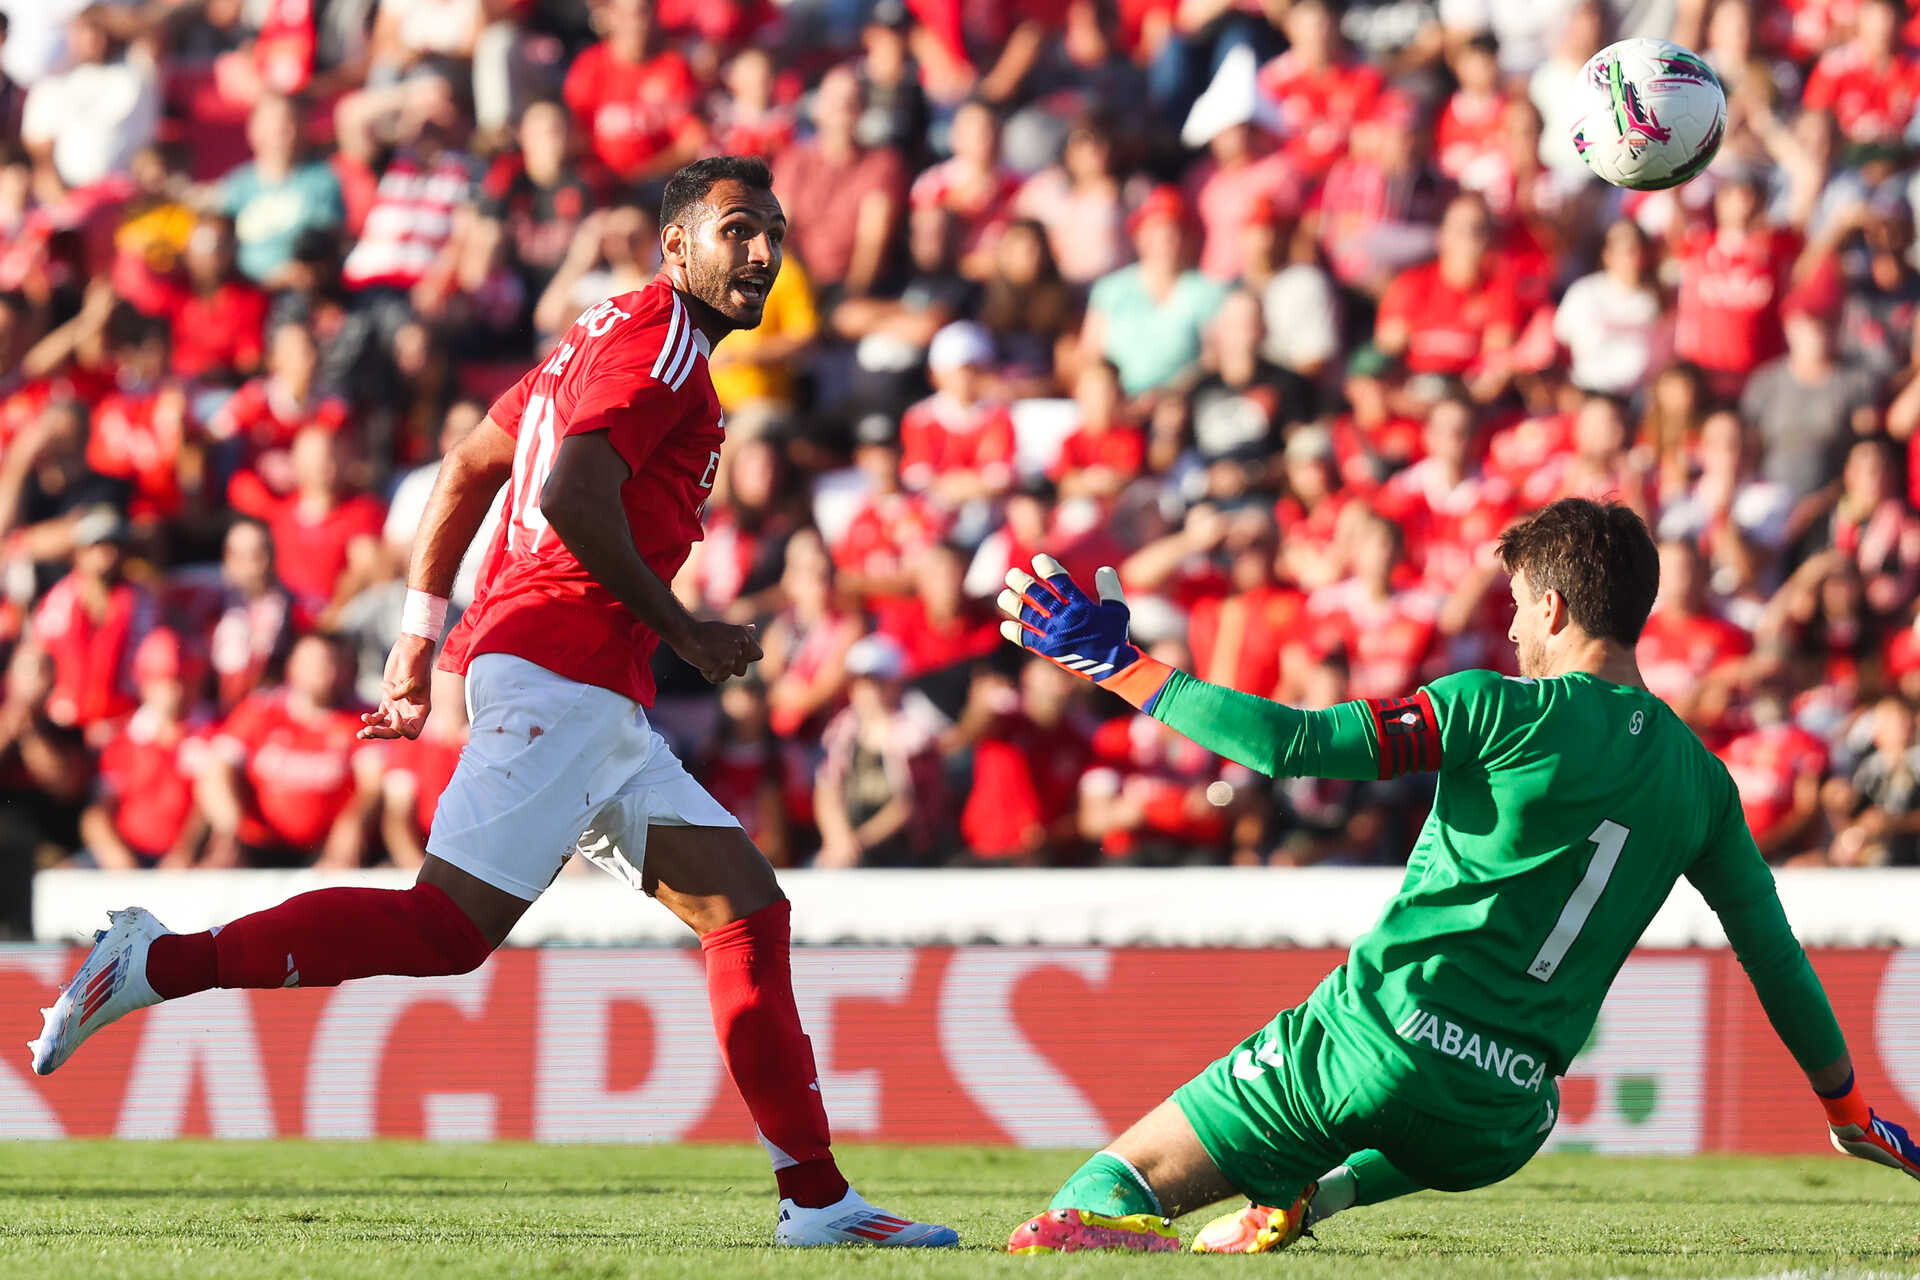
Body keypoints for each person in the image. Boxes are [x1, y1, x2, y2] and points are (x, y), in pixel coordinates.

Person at [29, 155, 955, 1251]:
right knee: (443, 928)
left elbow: (470, 462)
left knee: (746, 910)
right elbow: (566, 490)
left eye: (774, 233)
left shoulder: (597, 335)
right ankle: (153, 958)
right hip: (564, 665)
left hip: (580, 681)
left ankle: (817, 1199)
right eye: (738, 229)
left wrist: (420, 637)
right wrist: (685, 627)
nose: (763, 252)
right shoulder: (660, 343)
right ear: (677, 247)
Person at [992, 499, 1920, 1255]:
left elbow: (1288, 745)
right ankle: (1315, 1198)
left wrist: (1116, 666)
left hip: (1370, 1045)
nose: (1511, 627)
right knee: (1509, 1098)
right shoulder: (1706, 784)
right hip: (1503, 1118)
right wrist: (1846, 1110)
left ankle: (1151, 1217)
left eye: (1516, 605)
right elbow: (1777, 957)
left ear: (1553, 608)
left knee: (1093, 1201)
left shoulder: (1494, 707)